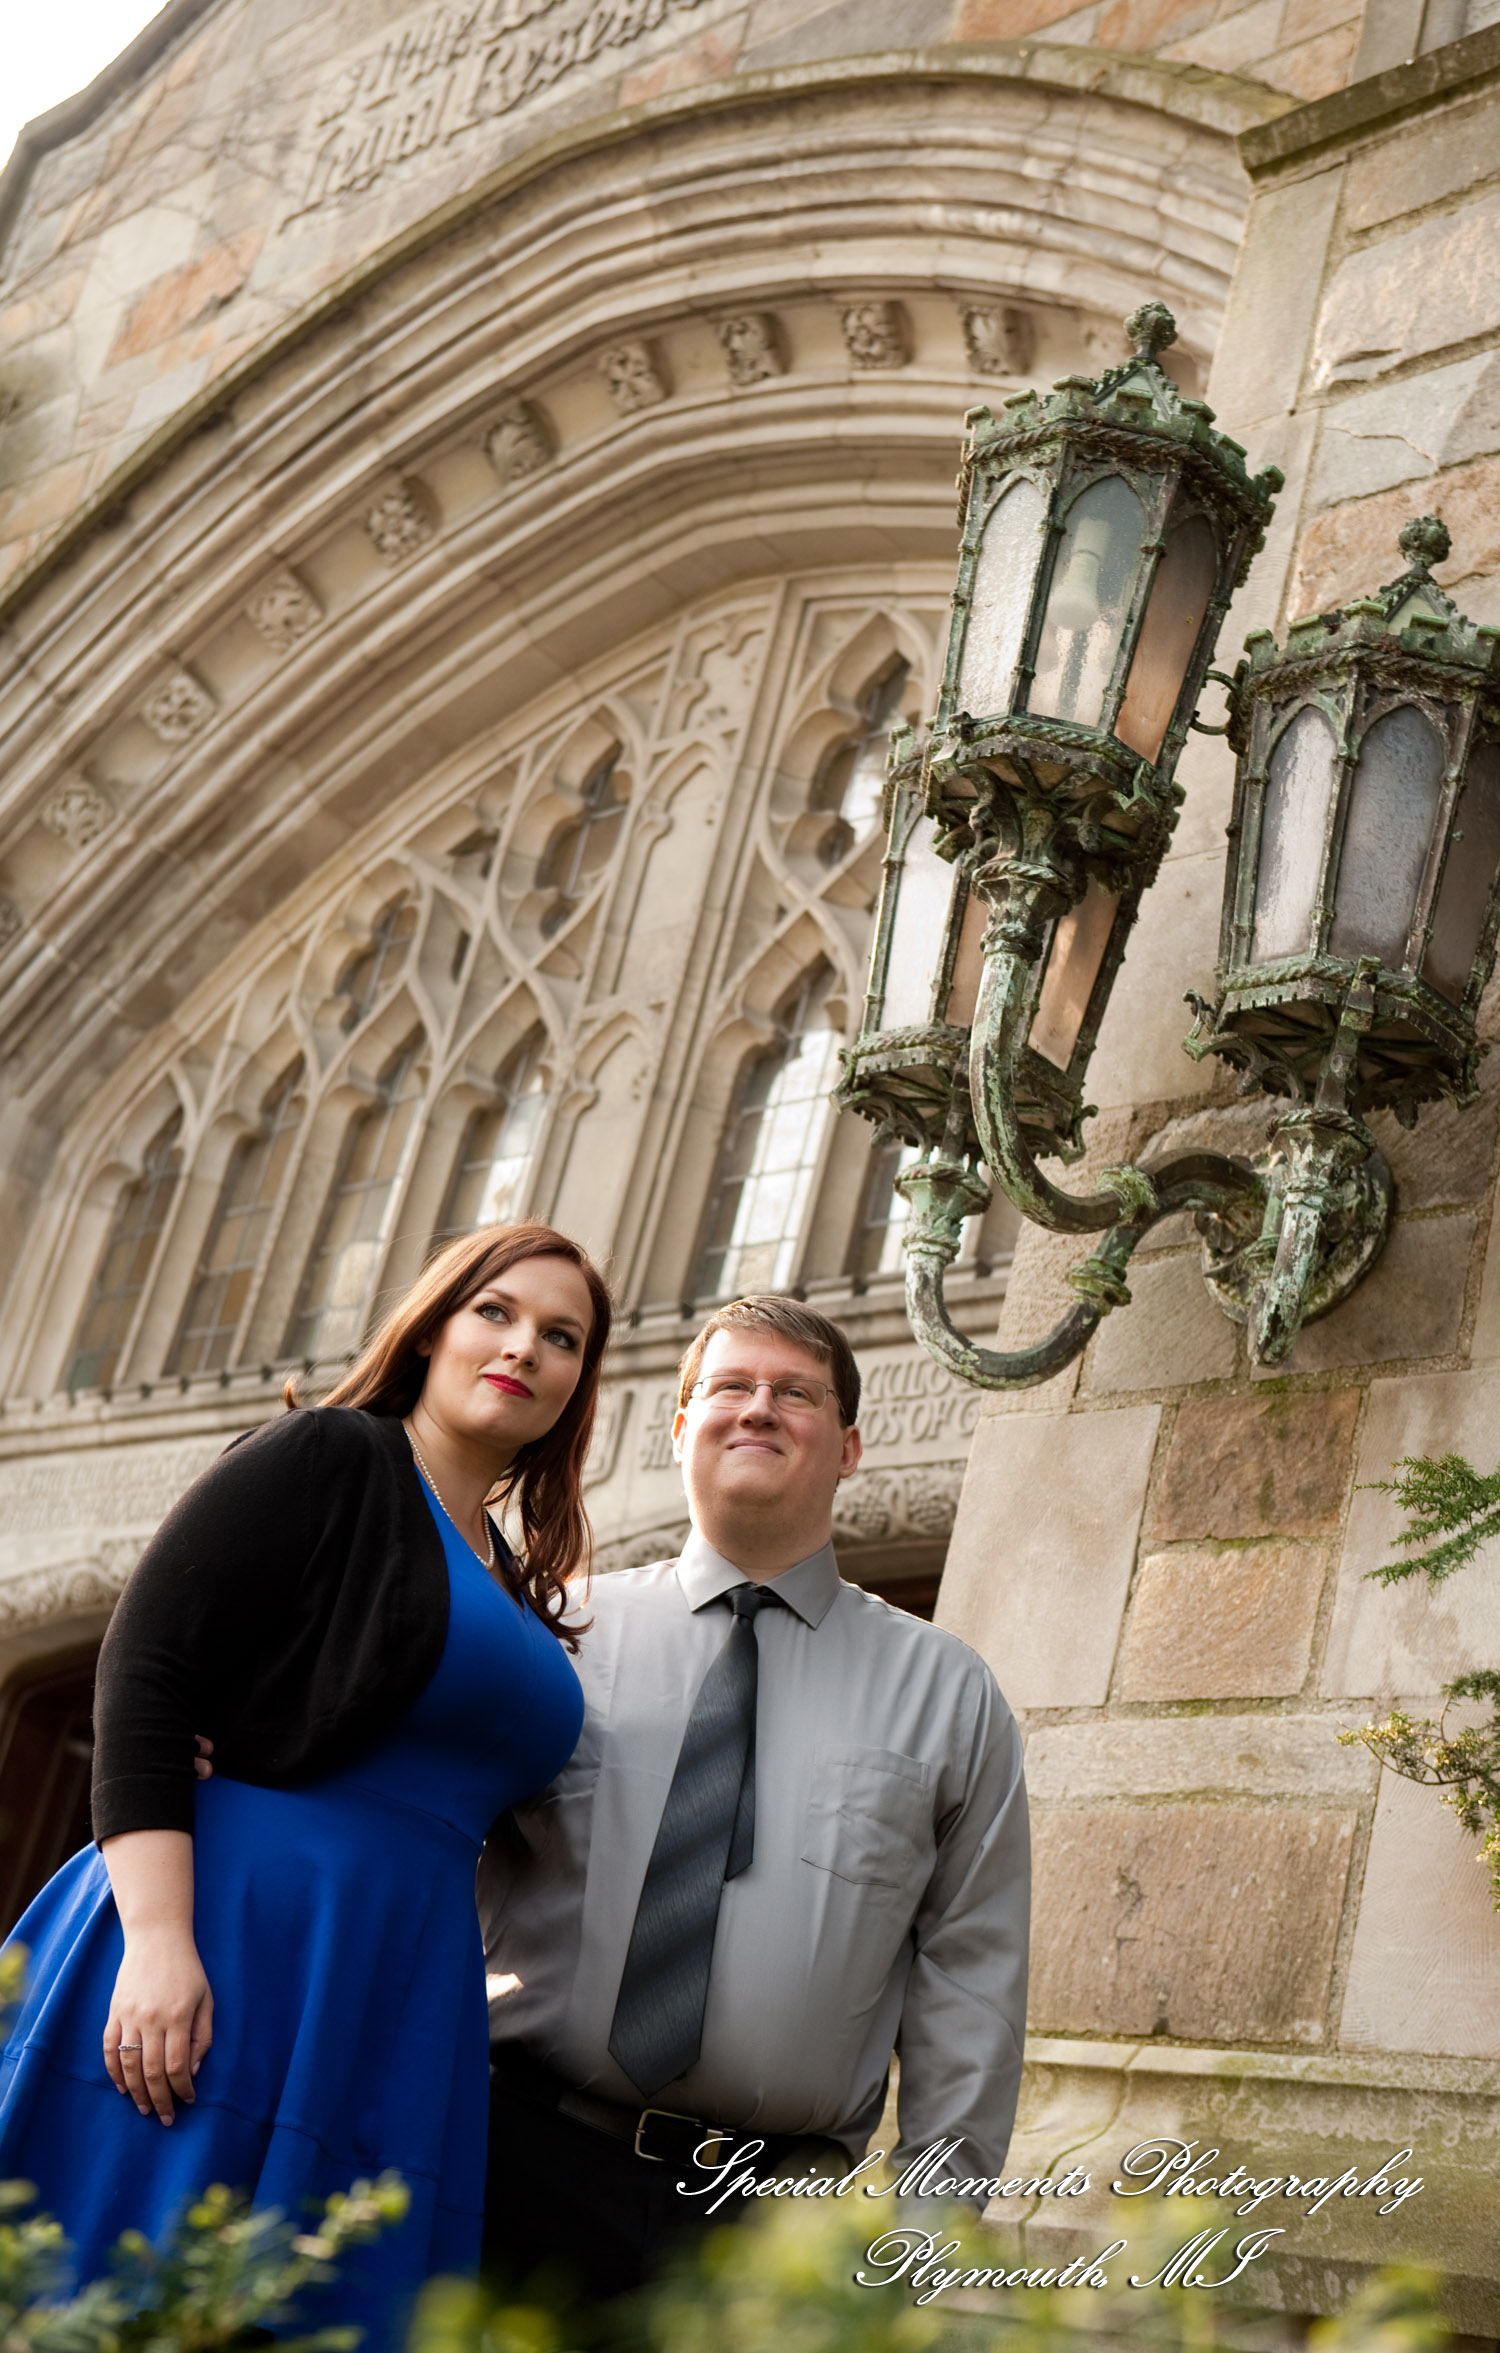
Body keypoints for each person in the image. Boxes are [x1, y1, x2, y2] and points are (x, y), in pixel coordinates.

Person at [0, 1220, 612, 2347]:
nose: (526, 1346)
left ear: (579, 1381)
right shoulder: (333, 1454)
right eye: (498, 1312)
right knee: (129, 2275)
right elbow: (146, 1668)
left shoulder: (515, 1578)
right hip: (225, 1943)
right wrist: (160, 1941)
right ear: (431, 1327)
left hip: (397, 1989)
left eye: (562, 1336)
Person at [479, 1293, 1029, 2298]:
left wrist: (921, 2245)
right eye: (729, 1386)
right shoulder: (555, 1638)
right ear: (683, 1424)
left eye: (796, 1393)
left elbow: (971, 1987)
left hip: (777, 2216)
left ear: (850, 1446)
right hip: (514, 2166)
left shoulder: (948, 1692)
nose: (759, 1408)